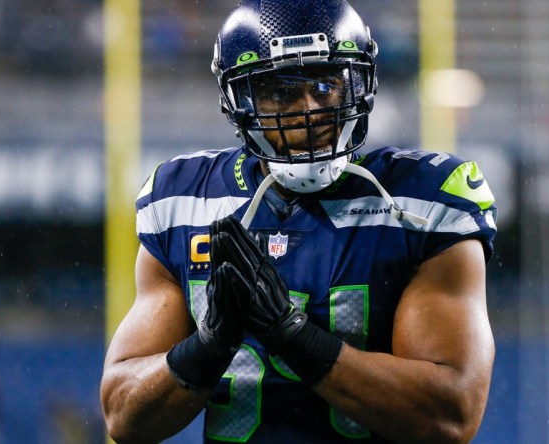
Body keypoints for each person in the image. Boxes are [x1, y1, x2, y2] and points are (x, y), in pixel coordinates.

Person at [100, 0, 498, 443]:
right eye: (281, 91)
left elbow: (449, 416)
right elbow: (124, 417)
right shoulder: (183, 200)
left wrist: (289, 335)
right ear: (241, 102)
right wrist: (209, 346)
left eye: (325, 87)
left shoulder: (423, 199)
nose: (310, 112)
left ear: (357, 86)